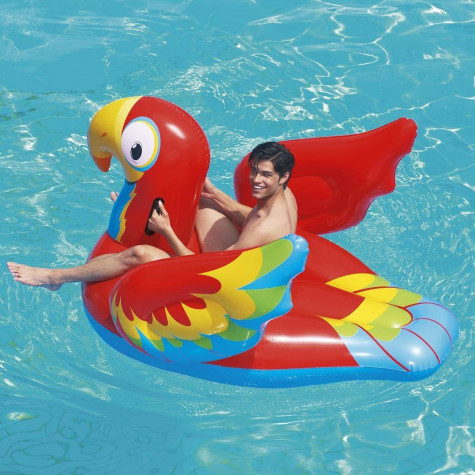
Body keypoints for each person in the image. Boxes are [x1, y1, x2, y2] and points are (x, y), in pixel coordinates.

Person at [7, 142, 297, 291]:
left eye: (265, 175)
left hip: (231, 285)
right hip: (247, 262)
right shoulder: (285, 196)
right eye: (254, 171)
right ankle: (141, 211)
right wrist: (214, 193)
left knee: (140, 254)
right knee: (201, 201)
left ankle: (54, 277)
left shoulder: (264, 229)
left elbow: (212, 272)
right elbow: (250, 216)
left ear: (283, 176)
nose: (256, 180)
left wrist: (166, 230)